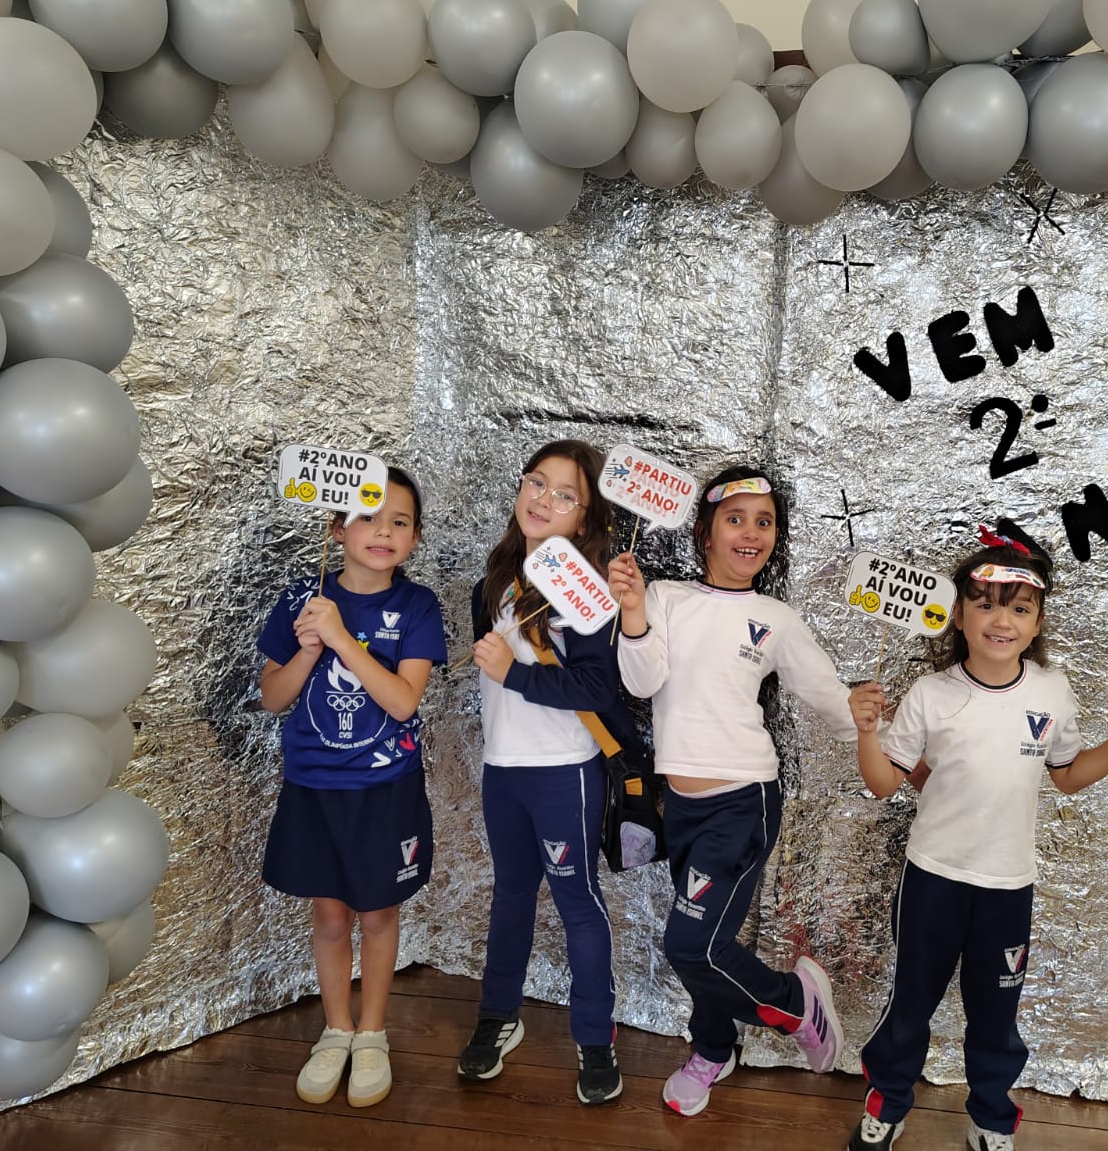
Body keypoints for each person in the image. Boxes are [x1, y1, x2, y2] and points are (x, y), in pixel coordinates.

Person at [843, 530, 1108, 1151]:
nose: (1001, 620)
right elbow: (883, 785)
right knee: (911, 1003)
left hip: (1007, 886)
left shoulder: (1051, 691)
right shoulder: (932, 694)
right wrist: (865, 733)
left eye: (1019, 608)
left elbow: (1068, 776)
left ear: (1037, 622)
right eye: (986, 604)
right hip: (932, 878)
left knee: (996, 1013)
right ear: (958, 616)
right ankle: (888, 1101)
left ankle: (991, 1115)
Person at [609, 465, 862, 1117]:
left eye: (764, 522)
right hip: (681, 807)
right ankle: (714, 1048)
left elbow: (832, 701)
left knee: (692, 945)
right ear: (705, 531)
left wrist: (875, 726)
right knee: (708, 947)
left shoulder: (774, 618)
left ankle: (794, 1003)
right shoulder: (664, 596)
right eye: (736, 519)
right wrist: (632, 611)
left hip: (743, 804)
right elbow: (641, 682)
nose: (751, 533)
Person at [257, 467, 446, 1109]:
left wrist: (341, 638)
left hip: (385, 789)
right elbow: (272, 697)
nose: (383, 531)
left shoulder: (417, 606)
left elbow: (403, 701)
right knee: (331, 914)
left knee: (379, 911)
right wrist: (311, 647)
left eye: (400, 521)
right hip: (313, 786)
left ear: (414, 538)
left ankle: (372, 1034)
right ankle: (336, 1030)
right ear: (337, 528)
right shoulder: (299, 598)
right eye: (368, 516)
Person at [457, 439, 639, 1106]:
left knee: (577, 904)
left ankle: (595, 1038)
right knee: (510, 895)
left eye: (566, 494)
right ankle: (498, 1016)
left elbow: (596, 687)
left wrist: (516, 673)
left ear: (586, 518)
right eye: (537, 482)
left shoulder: (584, 589)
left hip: (565, 773)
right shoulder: (494, 582)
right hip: (502, 771)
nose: (544, 499)